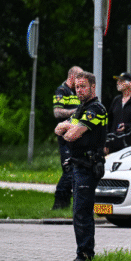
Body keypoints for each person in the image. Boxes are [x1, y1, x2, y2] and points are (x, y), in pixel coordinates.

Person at [54, 71, 108, 261]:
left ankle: (85, 256)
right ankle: (83, 254)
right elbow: (58, 128)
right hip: (78, 166)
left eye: (83, 86)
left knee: (82, 212)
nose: (79, 90)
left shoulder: (95, 109)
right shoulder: (81, 110)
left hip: (88, 166)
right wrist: (69, 127)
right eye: (77, 87)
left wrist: (69, 128)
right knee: (78, 212)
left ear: (93, 87)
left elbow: (70, 135)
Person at [51, 65, 83, 210]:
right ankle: (59, 202)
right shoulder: (61, 91)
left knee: (74, 170)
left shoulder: (76, 92)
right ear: (72, 77)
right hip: (64, 136)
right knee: (69, 170)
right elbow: (57, 112)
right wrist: (75, 111)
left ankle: (66, 203)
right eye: (80, 78)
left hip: (75, 136)